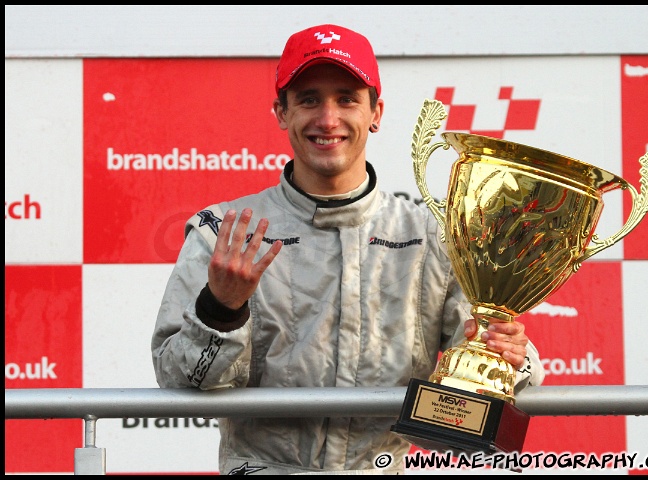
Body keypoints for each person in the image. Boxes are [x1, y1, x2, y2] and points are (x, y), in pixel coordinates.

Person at [151, 23, 544, 475]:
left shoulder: (434, 235)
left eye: (347, 98)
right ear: (281, 112)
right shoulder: (223, 231)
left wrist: (507, 353)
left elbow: (483, 390)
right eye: (309, 99)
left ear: (376, 112)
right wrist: (220, 309)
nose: (328, 118)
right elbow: (180, 381)